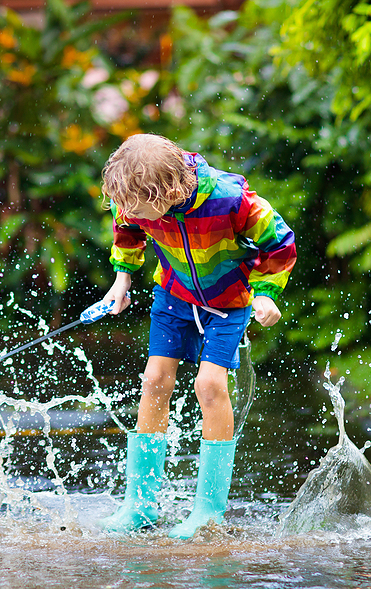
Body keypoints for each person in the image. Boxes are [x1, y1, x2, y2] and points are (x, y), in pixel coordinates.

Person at [97, 133, 296, 539]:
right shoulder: (136, 200)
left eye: (138, 206)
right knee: (154, 381)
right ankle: (141, 504)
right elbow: (126, 228)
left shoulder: (232, 200)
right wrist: (122, 279)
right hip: (173, 294)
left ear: (167, 190)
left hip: (229, 301)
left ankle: (207, 512)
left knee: (208, 385)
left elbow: (280, 243)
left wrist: (268, 293)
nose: (130, 211)